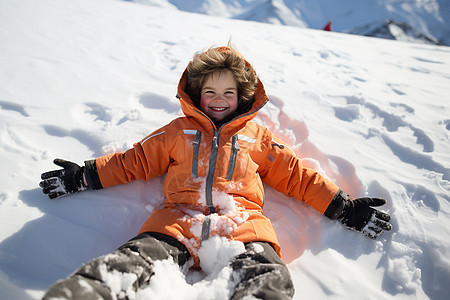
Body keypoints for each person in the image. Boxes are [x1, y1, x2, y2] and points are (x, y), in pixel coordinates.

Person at [39, 46, 392, 299]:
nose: (219, 99)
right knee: (128, 265)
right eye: (210, 91)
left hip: (242, 225)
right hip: (175, 222)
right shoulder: (178, 132)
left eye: (228, 91)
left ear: (242, 96)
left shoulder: (256, 137)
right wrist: (83, 176)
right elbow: (135, 161)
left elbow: (296, 176)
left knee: (269, 277)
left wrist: (343, 208)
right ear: (196, 94)